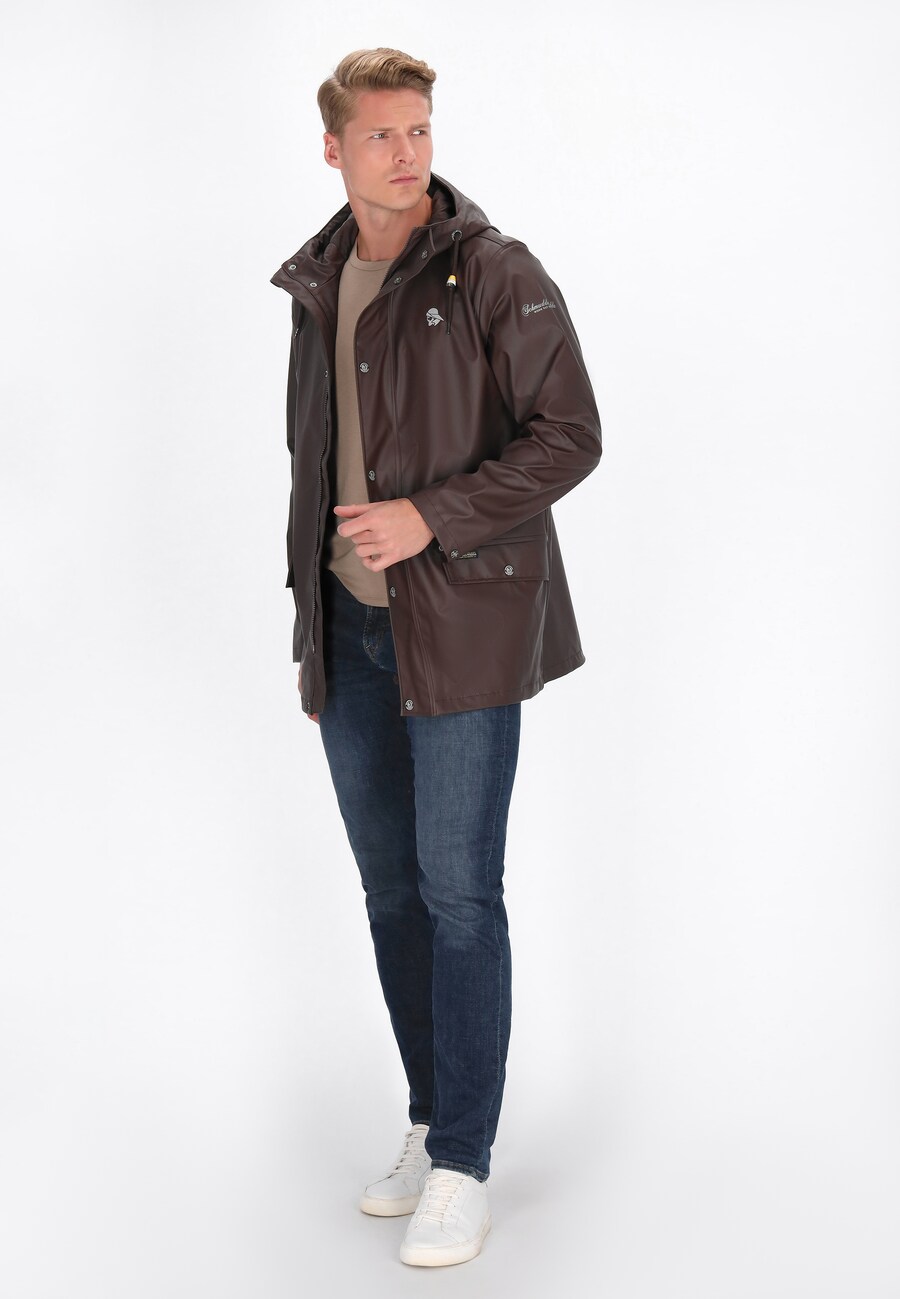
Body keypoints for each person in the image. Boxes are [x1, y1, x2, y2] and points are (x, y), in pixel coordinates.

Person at [271, 47, 601, 1268]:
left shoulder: (492, 270)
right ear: (333, 148)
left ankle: (464, 1161)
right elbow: (310, 464)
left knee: (460, 893)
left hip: (460, 627)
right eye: (382, 134)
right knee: (391, 893)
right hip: (351, 635)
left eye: (419, 130)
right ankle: (427, 1117)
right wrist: (312, 635)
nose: (407, 153)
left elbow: (571, 435)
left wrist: (432, 517)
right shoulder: (320, 281)